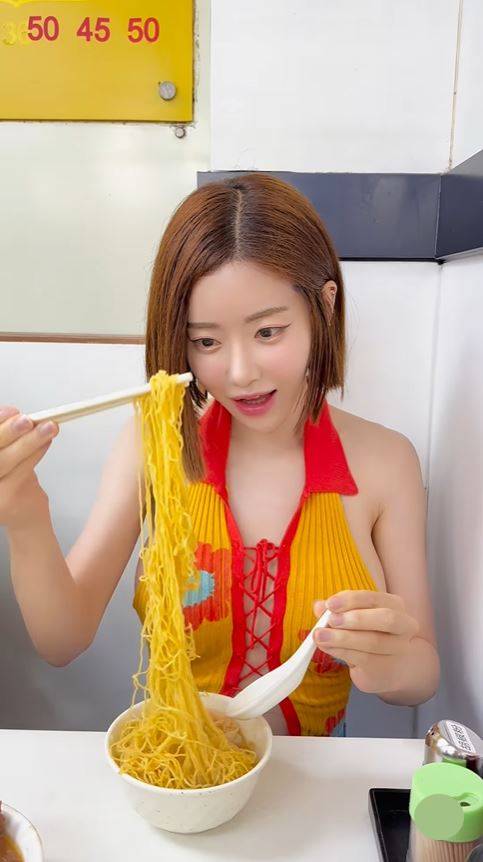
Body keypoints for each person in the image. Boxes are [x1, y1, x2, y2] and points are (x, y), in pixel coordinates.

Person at [0, 173, 439, 737]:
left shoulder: (387, 461)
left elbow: (422, 674)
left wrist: (389, 662)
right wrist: (25, 513)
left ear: (324, 306)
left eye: (268, 332)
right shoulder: (153, 442)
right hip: (176, 768)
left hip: (314, 775)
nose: (238, 373)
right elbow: (63, 640)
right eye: (206, 341)